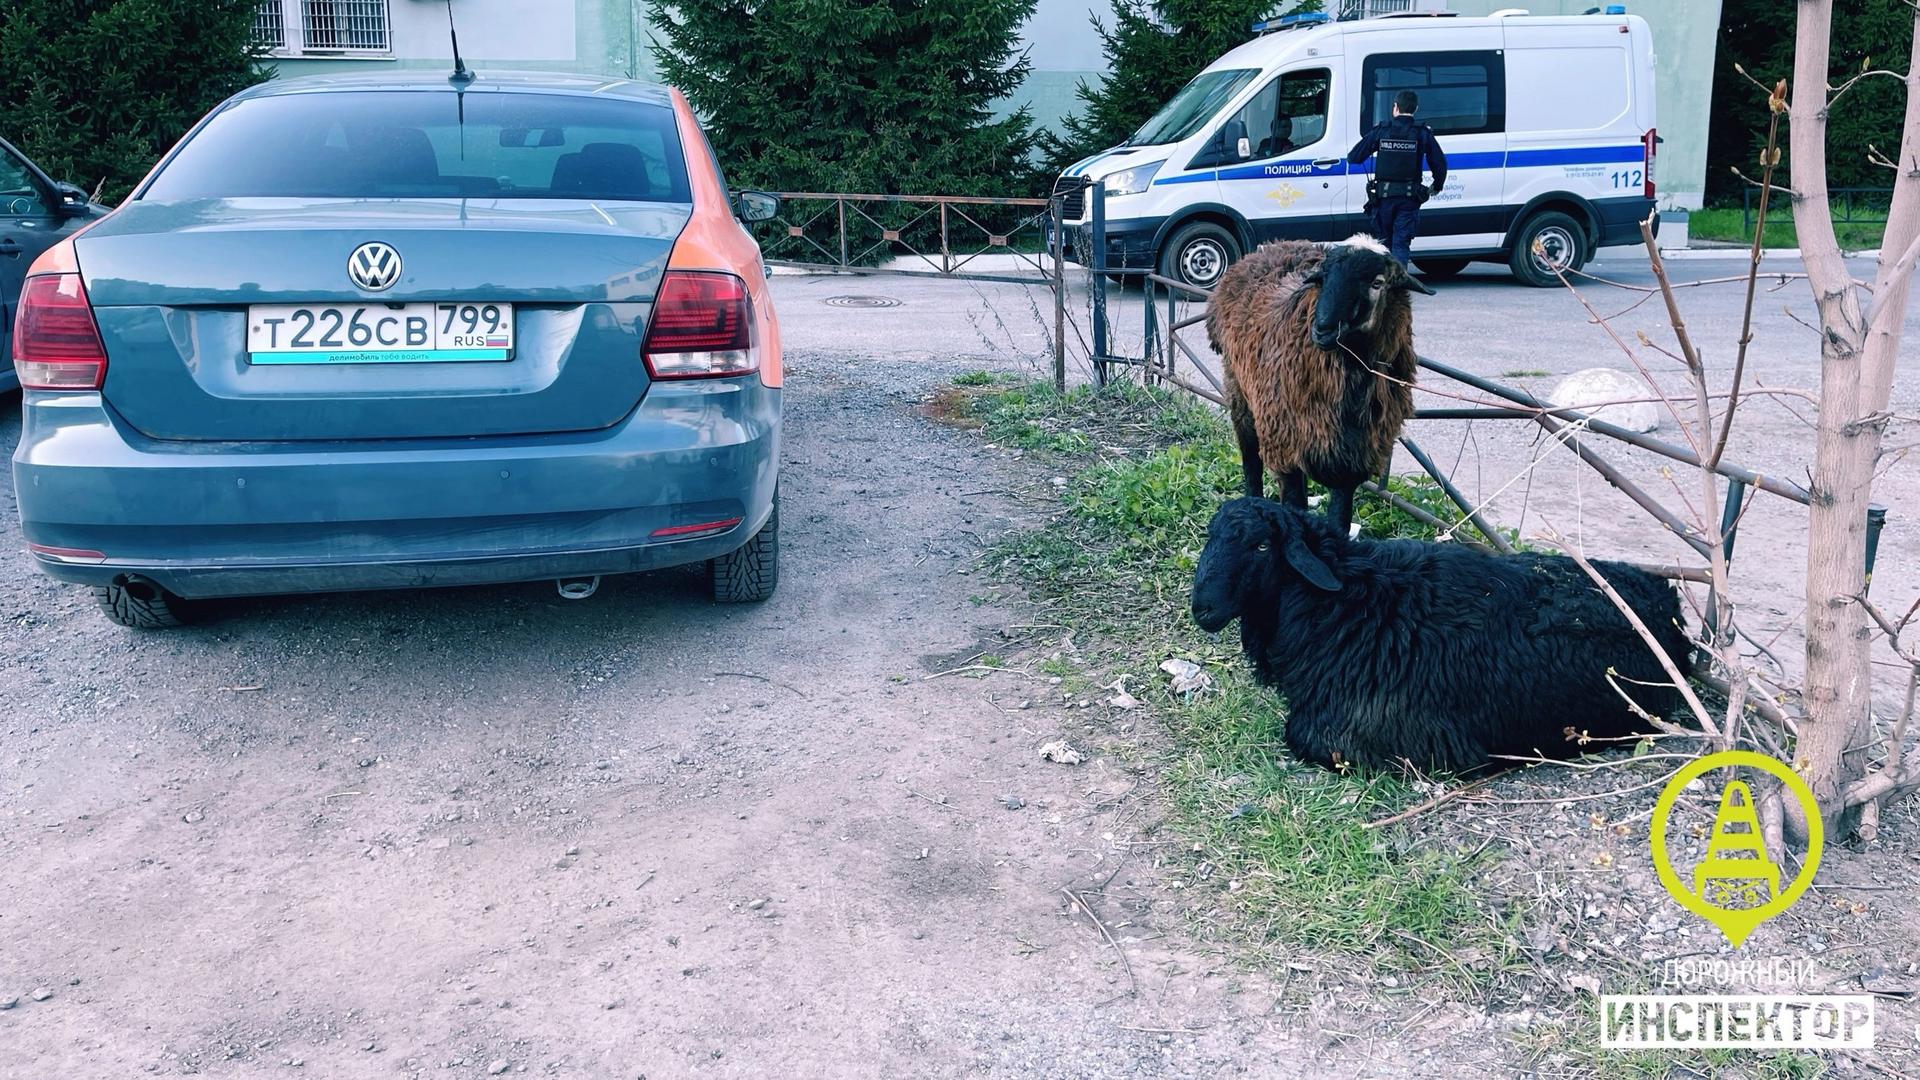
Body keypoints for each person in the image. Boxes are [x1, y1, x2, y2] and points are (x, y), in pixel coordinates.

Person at [1347, 90, 1448, 268]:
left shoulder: (1382, 131)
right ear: (1416, 109)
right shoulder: (1422, 133)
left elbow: (1354, 157)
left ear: (1395, 108)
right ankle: (1399, 288)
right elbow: (1439, 163)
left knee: (1384, 245)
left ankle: (1385, 287)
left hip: (1383, 199)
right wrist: (1437, 185)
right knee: (1401, 244)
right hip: (1409, 199)